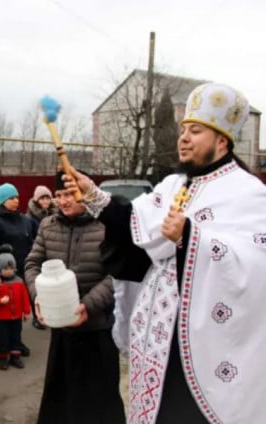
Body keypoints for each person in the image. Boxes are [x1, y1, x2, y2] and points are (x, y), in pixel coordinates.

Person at [63, 82, 266, 424]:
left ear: (221, 140)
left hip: (204, 343)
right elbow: (135, 227)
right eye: (183, 129)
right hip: (157, 334)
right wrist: (93, 195)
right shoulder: (174, 185)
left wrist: (191, 236)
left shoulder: (248, 193)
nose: (183, 137)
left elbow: (255, 263)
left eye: (196, 130)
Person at [24, 171, 125, 424]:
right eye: (59, 195)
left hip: (98, 330)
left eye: (69, 193)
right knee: (61, 401)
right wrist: (39, 296)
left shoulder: (107, 225)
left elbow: (118, 274)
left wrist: (87, 305)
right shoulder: (49, 225)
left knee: (98, 404)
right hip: (63, 332)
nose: (63, 201)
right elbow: (32, 264)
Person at [0, 183, 40, 334]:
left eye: (17, 197)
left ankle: (16, 342)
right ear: (2, 201)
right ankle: (2, 345)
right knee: (3, 310)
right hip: (3, 274)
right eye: (11, 198)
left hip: (21, 271)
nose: (16, 200)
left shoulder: (25, 220)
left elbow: (31, 244)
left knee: (17, 308)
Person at [0, 246, 31, 370]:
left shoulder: (19, 282)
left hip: (16, 317)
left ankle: (15, 356)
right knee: (2, 338)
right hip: (1, 318)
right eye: (5, 268)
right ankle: (2, 357)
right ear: (0, 269)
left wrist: (26, 311)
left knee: (16, 337)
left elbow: (25, 298)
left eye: (11, 268)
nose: (9, 271)